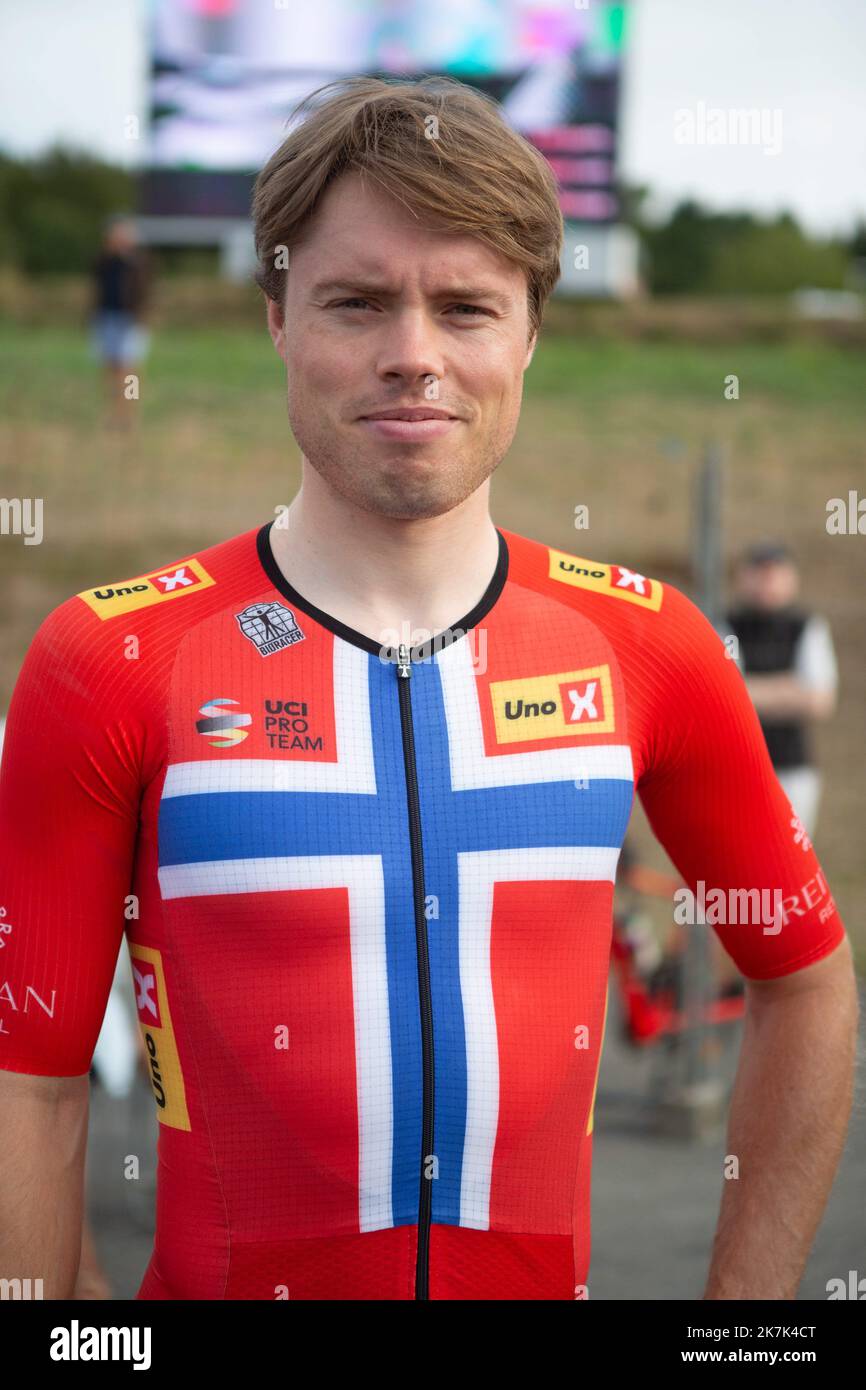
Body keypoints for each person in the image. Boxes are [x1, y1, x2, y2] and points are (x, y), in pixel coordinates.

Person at [0, 77, 857, 1302]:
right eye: (356, 302)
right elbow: (28, 1079)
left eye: (465, 307)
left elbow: (807, 978)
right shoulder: (109, 659)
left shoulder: (651, 644)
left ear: (527, 336)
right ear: (276, 319)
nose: (414, 356)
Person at [726, 543, 838, 838]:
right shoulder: (727, 624)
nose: (767, 582)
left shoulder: (807, 626)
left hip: (794, 767)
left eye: (775, 574)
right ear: (743, 577)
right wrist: (789, 688)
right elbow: (725, 696)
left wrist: (750, 690)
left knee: (792, 857)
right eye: (759, 574)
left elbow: (820, 701)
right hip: (739, 767)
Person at [89, 215, 152, 429]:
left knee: (129, 371)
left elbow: (145, 290)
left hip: (130, 321)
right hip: (106, 318)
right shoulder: (104, 261)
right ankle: (113, 412)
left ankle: (129, 414)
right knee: (110, 369)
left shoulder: (137, 262)